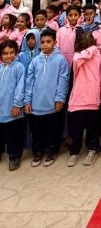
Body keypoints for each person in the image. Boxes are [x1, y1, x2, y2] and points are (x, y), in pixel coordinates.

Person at [24, 29, 69, 167]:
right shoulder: (35, 61)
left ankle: (52, 151)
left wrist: (60, 99)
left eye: (48, 42)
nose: (45, 45)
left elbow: (63, 80)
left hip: (52, 104)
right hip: (36, 104)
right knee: (37, 131)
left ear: (55, 42)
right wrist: (27, 100)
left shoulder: (60, 60)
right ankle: (38, 152)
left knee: (53, 130)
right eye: (42, 42)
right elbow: (29, 82)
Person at [67, 32, 101, 167]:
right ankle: (74, 151)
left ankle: (93, 149)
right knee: (76, 128)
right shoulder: (77, 56)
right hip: (78, 96)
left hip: (92, 96)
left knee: (92, 127)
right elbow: (78, 62)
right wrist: (92, 49)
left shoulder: (98, 56)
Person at [0, 40, 25, 171]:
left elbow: (20, 87)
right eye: (5, 53)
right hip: (0, 108)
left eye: (11, 53)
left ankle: (14, 156)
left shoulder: (19, 67)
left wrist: (16, 105)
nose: (9, 56)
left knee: (12, 134)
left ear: (16, 53)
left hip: (12, 108)